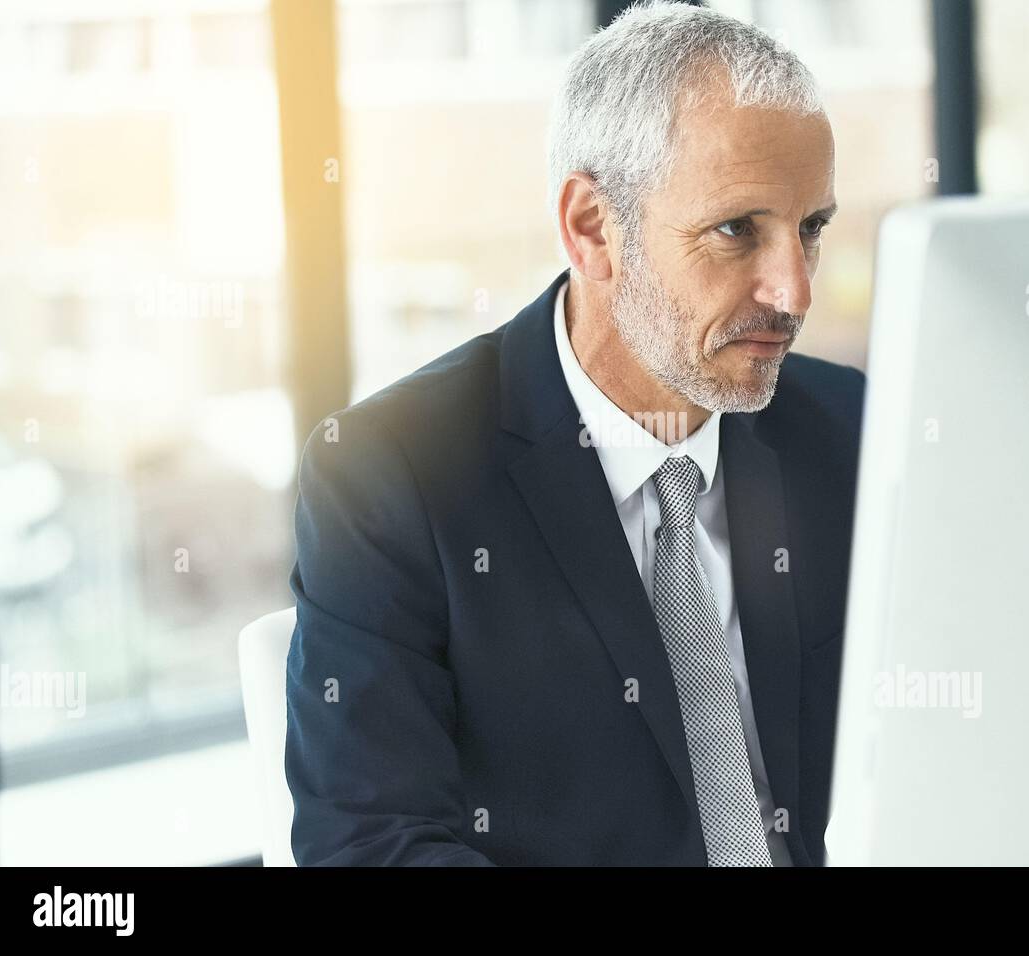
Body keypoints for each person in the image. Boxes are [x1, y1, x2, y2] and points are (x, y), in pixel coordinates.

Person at [286, 0, 865, 866]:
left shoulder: (851, 429)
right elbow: (370, 843)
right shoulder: (392, 473)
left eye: (810, 229)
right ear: (593, 229)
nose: (794, 292)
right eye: (736, 231)